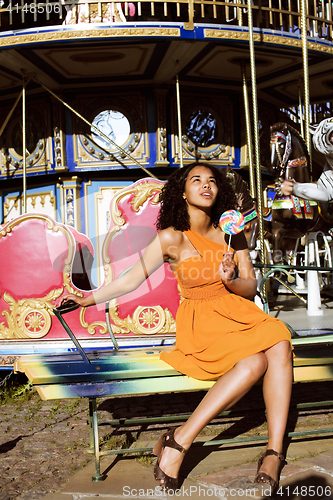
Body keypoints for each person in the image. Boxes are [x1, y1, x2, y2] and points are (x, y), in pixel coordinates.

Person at [61, 162, 293, 494]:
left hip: (240, 314)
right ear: (181, 192)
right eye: (196, 180)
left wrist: (231, 278)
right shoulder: (172, 236)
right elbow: (131, 279)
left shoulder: (232, 231)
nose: (206, 185)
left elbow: (250, 288)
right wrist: (88, 299)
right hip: (201, 321)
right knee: (256, 362)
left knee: (280, 342)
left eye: (212, 181)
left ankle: (274, 452)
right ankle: (180, 439)